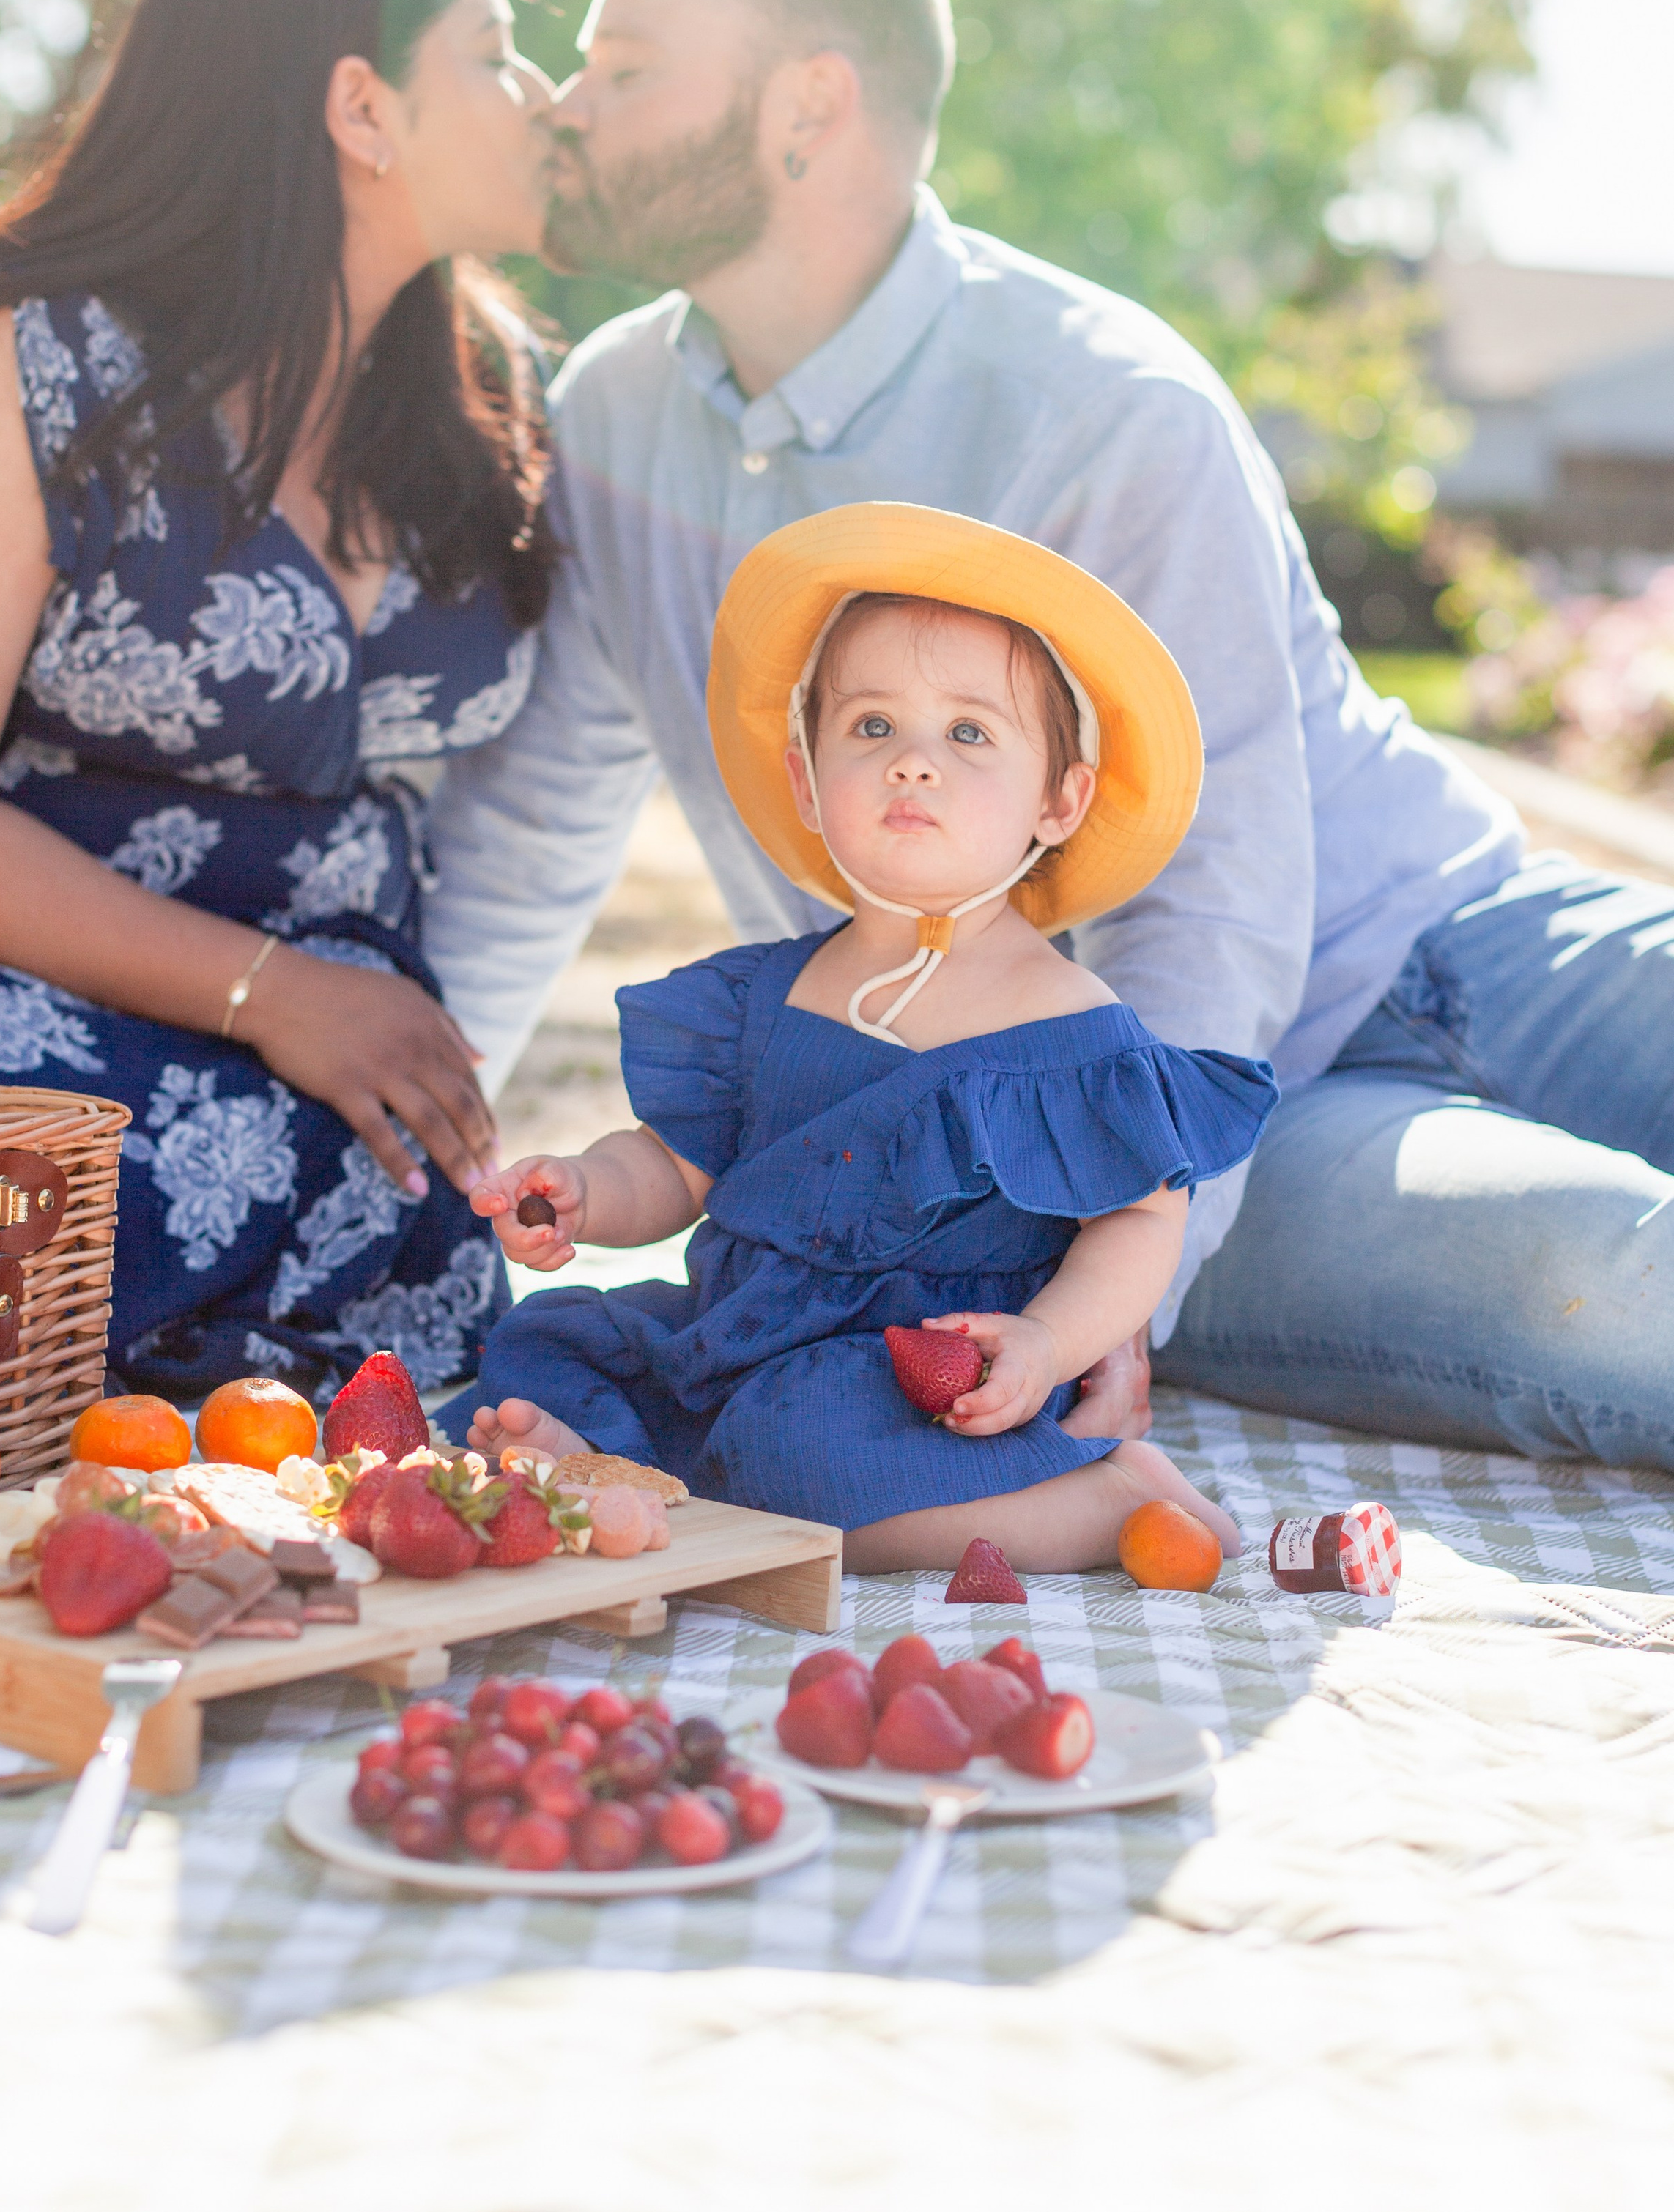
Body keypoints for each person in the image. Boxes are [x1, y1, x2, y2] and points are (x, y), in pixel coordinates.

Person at [426, 0, 1674, 1473]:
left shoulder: (1102, 404)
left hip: (1458, 926)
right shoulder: (604, 423)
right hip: (1204, 1121)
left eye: (624, 63)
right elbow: (527, 840)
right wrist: (1099, 1289)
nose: (565, 103)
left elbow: (1214, 881)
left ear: (807, 107)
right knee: (1613, 1283)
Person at [0, 0, 555, 1404]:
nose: (535, 91)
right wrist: (271, 993)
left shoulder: (478, 389)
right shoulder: (20, 363)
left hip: (342, 1083)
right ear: (363, 110)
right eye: (488, 49)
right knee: (142, 1196)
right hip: (8, 1021)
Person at [442, 506, 1274, 1565]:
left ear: (1060, 802)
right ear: (805, 780)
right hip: (735, 1330)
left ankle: (1098, 1501)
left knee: (807, 1443)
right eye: (873, 727)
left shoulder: (1072, 1028)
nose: (913, 764)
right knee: (544, 1342)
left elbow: (1138, 1224)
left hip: (922, 1374)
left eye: (969, 733)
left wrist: (1052, 1341)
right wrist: (589, 1188)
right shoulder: (765, 991)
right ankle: (628, 1476)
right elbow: (679, 1164)